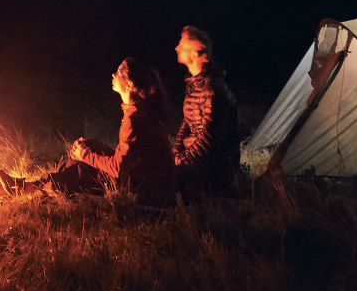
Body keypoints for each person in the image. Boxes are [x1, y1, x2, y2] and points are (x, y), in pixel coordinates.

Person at [61, 58, 175, 203]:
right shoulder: (140, 110)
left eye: (120, 72)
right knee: (93, 145)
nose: (114, 74)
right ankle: (52, 180)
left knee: (82, 168)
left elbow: (118, 169)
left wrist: (84, 155)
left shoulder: (134, 119)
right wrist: (90, 150)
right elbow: (130, 156)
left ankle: (44, 184)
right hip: (149, 183)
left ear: (129, 84)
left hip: (146, 192)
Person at [171, 25, 240, 197]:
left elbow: (209, 140)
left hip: (215, 166)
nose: (176, 48)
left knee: (163, 179)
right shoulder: (194, 84)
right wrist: (175, 150)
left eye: (182, 45)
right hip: (195, 158)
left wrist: (182, 160)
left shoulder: (213, 89)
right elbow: (187, 121)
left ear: (195, 53)